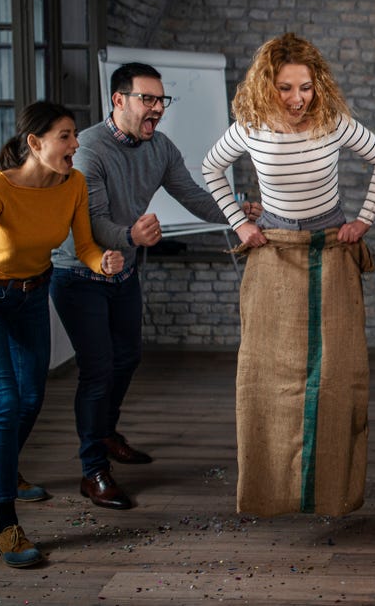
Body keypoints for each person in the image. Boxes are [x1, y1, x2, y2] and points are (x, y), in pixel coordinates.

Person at [202, 33, 375, 517]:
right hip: (275, 246)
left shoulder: (333, 122)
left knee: (334, 372)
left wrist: (363, 220)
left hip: (330, 244)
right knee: (267, 371)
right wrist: (240, 223)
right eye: (285, 88)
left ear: (318, 85)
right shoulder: (249, 125)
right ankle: (272, 491)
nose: (296, 99)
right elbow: (211, 168)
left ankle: (331, 490)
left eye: (305, 87)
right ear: (267, 86)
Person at [50, 63, 258, 510]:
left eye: (162, 100)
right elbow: (93, 225)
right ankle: (93, 471)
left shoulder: (160, 147)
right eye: (148, 99)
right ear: (119, 100)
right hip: (79, 276)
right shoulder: (87, 150)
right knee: (98, 370)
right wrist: (132, 236)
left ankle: (105, 431)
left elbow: (196, 197)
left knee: (127, 357)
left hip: (123, 272)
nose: (158, 109)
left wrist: (240, 210)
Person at [0, 101, 123, 567]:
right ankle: (6, 526)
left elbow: (84, 246)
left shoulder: (72, 183)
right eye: (65, 135)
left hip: (34, 295)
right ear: (35, 143)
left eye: (74, 134)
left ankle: (5, 471)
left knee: (33, 398)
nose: (76, 144)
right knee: (6, 402)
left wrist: (104, 262)